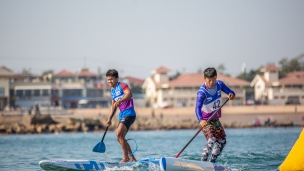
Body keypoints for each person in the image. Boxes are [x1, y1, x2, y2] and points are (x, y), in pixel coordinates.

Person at [195, 67, 235, 163]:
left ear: (216, 77)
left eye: (213, 79)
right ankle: (203, 162)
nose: (212, 82)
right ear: (205, 79)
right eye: (209, 80)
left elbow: (232, 93)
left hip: (215, 119)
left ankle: (212, 163)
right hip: (205, 120)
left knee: (222, 141)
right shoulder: (202, 93)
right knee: (212, 138)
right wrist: (201, 120)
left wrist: (231, 95)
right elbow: (197, 108)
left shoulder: (219, 84)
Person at [105, 69, 137, 163]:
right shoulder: (112, 91)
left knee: (119, 134)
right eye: (108, 79)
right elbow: (113, 107)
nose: (109, 81)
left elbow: (129, 94)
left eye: (111, 79)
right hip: (122, 114)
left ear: (116, 79)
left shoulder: (122, 85)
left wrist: (120, 101)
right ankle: (132, 157)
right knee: (120, 137)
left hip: (129, 113)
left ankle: (125, 158)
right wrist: (109, 119)